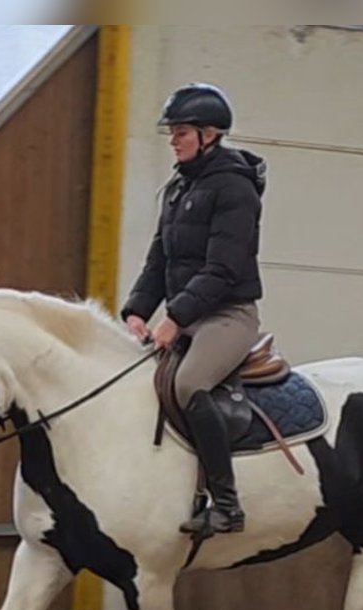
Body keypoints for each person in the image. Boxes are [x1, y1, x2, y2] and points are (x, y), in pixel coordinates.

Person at [120, 82, 267, 537]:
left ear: (210, 134)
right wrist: (137, 310)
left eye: (181, 132)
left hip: (227, 314)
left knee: (188, 384)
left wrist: (176, 317)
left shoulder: (235, 189)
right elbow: (158, 259)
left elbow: (224, 268)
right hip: (186, 315)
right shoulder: (178, 188)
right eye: (173, 132)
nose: (173, 139)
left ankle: (226, 503)